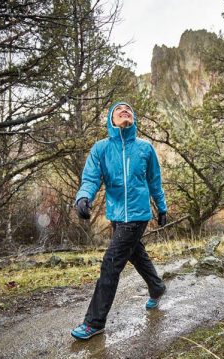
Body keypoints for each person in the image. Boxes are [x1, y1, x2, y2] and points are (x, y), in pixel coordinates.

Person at [71, 102, 168, 340]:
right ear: (110, 119)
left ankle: (94, 322)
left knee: (111, 263)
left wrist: (162, 207)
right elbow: (91, 177)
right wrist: (83, 197)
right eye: (119, 110)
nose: (125, 111)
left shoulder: (145, 149)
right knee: (136, 254)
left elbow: (155, 180)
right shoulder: (101, 148)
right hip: (116, 215)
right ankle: (157, 287)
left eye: (129, 110)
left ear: (133, 119)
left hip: (137, 215)